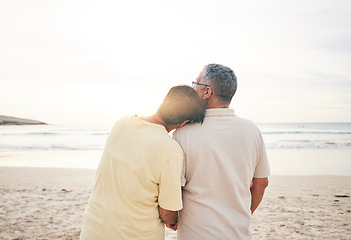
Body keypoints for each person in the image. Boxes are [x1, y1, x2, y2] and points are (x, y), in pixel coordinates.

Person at [80, 85, 205, 240]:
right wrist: (173, 221)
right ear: (183, 123)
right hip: (134, 234)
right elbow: (167, 213)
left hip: (94, 227)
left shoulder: (122, 122)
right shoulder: (171, 150)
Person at [173, 64, 270, 240]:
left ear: (207, 92)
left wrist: (171, 219)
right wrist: (243, 215)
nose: (193, 89)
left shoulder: (183, 133)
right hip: (238, 233)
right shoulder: (251, 129)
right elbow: (261, 182)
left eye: (196, 84)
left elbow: (174, 187)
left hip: (196, 234)